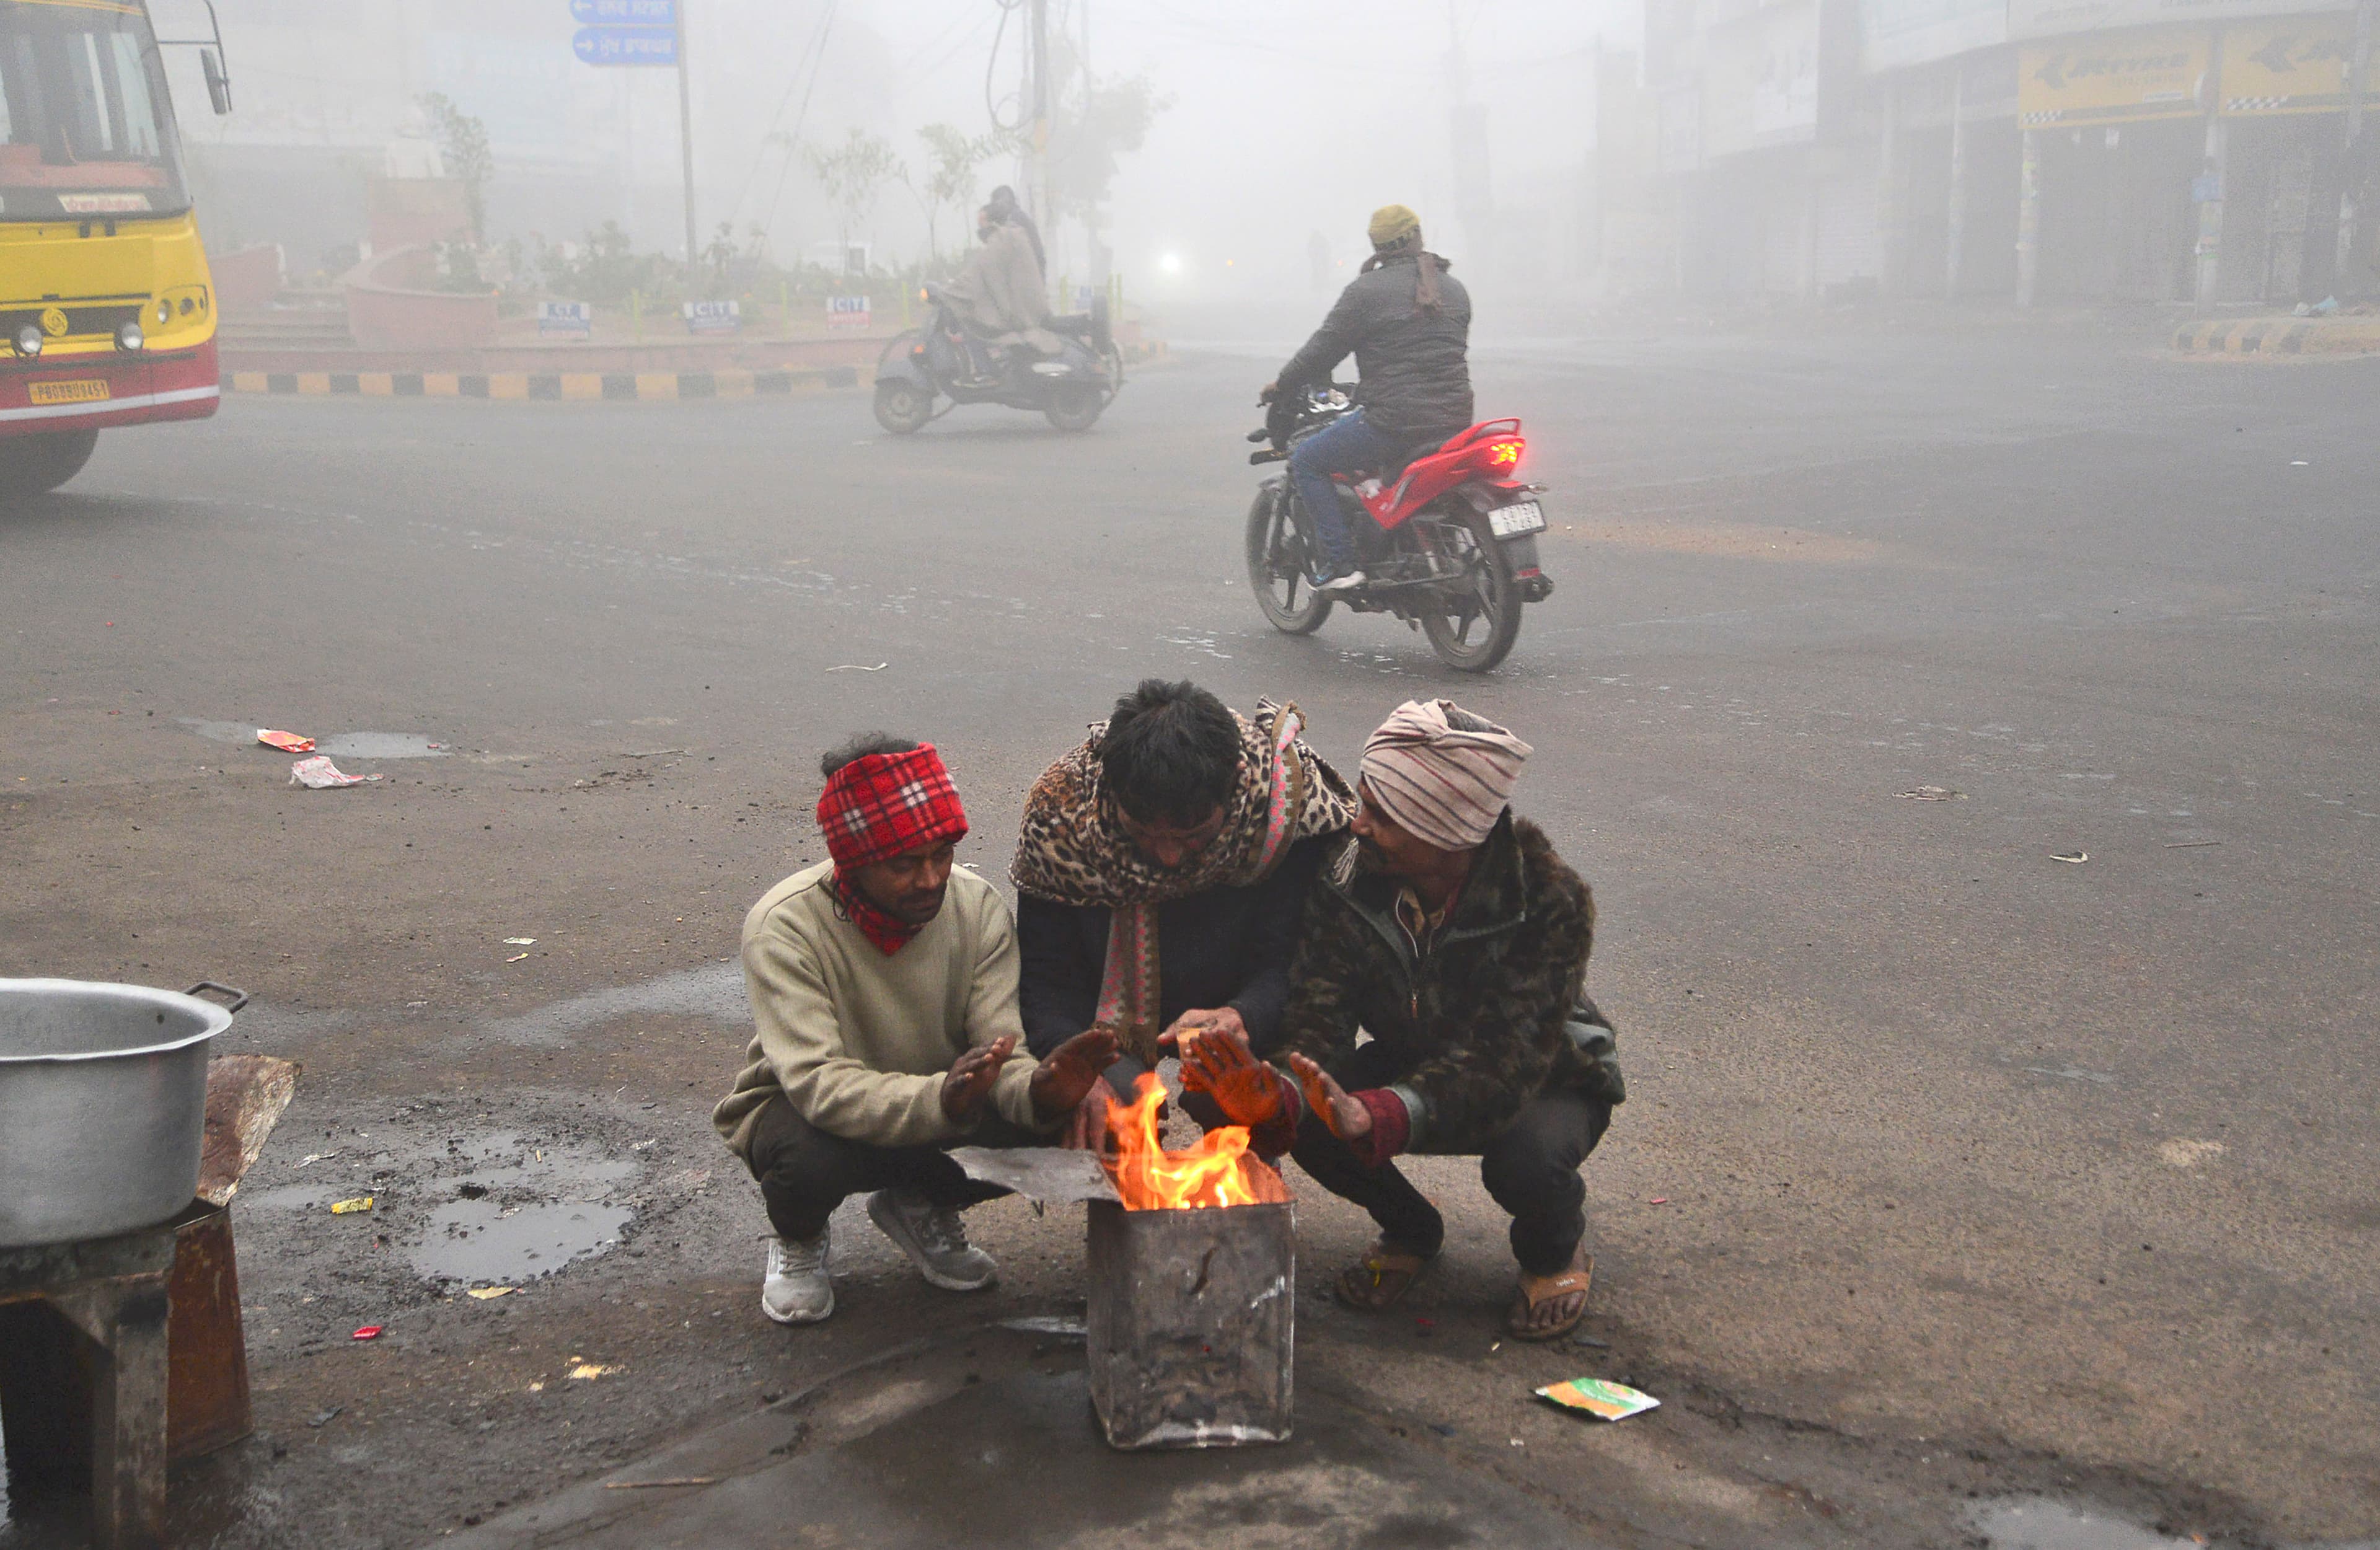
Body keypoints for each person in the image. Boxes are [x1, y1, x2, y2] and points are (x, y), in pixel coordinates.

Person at [1170, 700, 1625, 1342]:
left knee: (1525, 1161)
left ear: (1446, 832)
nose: (1357, 825)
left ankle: (1554, 1253)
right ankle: (1412, 1229)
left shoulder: (1548, 896)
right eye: (1364, 801)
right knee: (1316, 1119)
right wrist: (1280, 1092)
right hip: (1417, 1053)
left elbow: (1502, 1065)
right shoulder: (1347, 878)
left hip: (1545, 1074)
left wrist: (1382, 1111)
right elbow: (1317, 1020)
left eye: (1381, 814)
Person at [713, 733, 1116, 1325]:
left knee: (1079, 1126)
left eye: (942, 854)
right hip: (815, 1112)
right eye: (904, 863)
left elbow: (1001, 1048)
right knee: (806, 1164)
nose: (930, 879)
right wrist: (942, 1098)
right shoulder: (785, 926)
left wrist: (1042, 1090)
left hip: (949, 1094)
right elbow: (819, 1083)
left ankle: (919, 1202)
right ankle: (798, 1239)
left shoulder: (977, 909)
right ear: (852, 860)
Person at [1012, 681, 1354, 1132]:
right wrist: (1078, 1068)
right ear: (1111, 792)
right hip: (1101, 1014)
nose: (1169, 859)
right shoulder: (1060, 819)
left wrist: (1243, 1015)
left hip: (1242, 998)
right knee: (1115, 1108)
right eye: (1144, 834)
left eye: (1193, 834)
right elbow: (1047, 980)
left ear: (1232, 785)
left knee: (1268, 1094)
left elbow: (1294, 960)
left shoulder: (1281, 813)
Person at [1264, 204, 1475, 593]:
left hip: (1393, 423)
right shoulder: (1454, 289)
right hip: (1456, 419)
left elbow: (1322, 351)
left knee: (1308, 459)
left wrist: (1281, 385)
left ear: (1377, 245)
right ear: (1417, 236)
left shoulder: (1366, 292)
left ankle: (1340, 563)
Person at [944, 199, 1060, 368]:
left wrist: (949, 291)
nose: (980, 229)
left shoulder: (999, 242)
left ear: (993, 222)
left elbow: (978, 274)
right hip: (1027, 308)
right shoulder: (1015, 237)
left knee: (971, 327)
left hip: (1016, 316)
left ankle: (985, 372)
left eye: (982, 223)